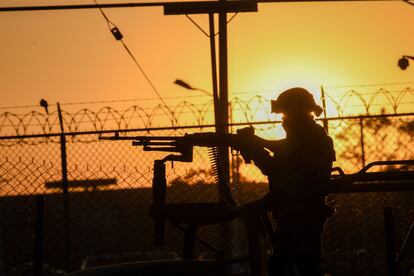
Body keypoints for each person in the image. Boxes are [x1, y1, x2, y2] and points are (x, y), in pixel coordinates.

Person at [238, 87, 336, 276]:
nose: (283, 121)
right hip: (292, 215)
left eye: (286, 115)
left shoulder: (314, 140)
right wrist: (253, 149)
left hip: (305, 215)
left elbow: (296, 178)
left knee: (305, 265)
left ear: (299, 114)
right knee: (284, 265)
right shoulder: (300, 140)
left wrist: (269, 200)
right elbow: (276, 168)